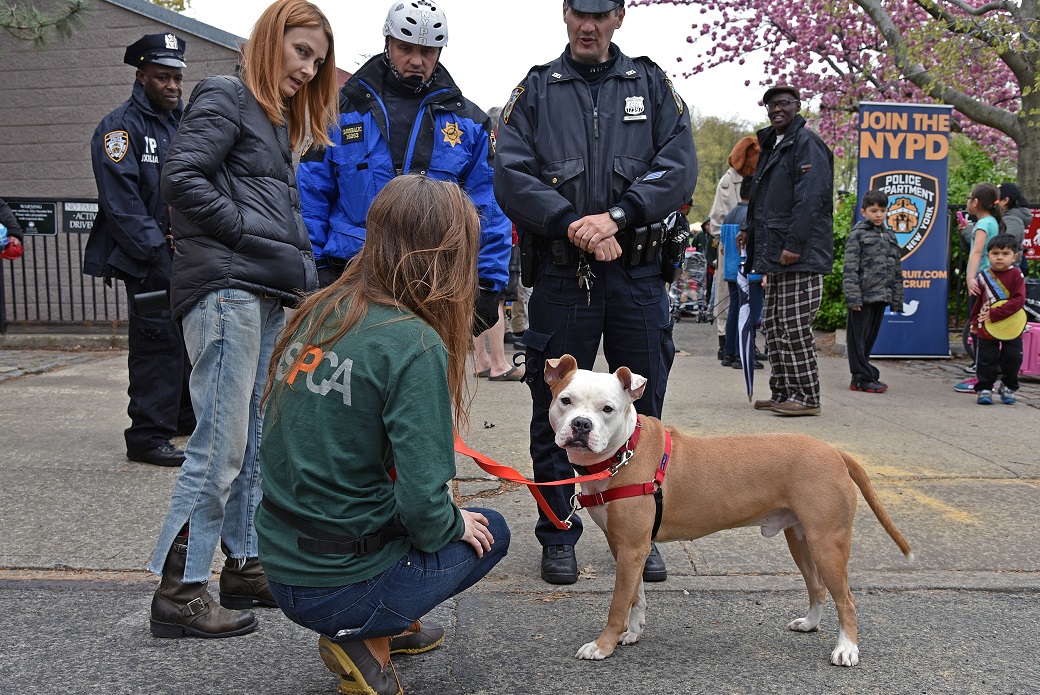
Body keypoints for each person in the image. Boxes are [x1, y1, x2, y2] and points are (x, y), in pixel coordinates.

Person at [256, 175, 510, 695]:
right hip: (335, 585)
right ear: (447, 258)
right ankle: (364, 632)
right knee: (493, 530)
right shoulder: (412, 343)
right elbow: (424, 506)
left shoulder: (320, 309)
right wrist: (452, 523)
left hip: (279, 563)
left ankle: (390, 622)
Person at [147, 0, 338, 639]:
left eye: (317, 59)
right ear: (269, 39)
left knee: (254, 441)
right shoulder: (227, 95)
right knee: (219, 446)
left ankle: (245, 563)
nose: (309, 69)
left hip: (257, 293)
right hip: (226, 290)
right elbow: (180, 179)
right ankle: (181, 589)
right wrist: (249, 235)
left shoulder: (273, 119)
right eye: (301, 51)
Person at [494, 0, 697, 586]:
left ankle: (641, 532)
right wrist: (571, 222)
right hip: (563, 274)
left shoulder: (652, 86)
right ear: (564, 14)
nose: (589, 24)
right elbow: (511, 171)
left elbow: (678, 164)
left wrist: (616, 216)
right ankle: (560, 532)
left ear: (619, 16)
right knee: (554, 407)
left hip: (635, 273)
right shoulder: (534, 92)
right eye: (579, 13)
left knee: (645, 410)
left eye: (601, 13)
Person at [298, 0, 510, 337]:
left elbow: (491, 205)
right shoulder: (341, 111)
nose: (416, 60)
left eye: (427, 51)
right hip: (349, 277)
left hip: (434, 282)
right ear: (387, 44)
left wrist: (488, 282)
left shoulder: (469, 123)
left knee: (421, 385)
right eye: (405, 48)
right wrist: (314, 266)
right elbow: (310, 193)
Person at [83, 33, 195, 467]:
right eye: (163, 77)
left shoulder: (184, 124)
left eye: (177, 78)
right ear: (141, 76)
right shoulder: (119, 129)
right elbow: (121, 205)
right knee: (157, 345)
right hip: (148, 258)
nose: (172, 86)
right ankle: (147, 436)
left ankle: (180, 418)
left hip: (187, 253)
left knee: (188, 342)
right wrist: (158, 255)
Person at [737, 84, 834, 417]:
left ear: (797, 106)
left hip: (800, 256)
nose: (776, 109)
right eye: (771, 105)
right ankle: (783, 392)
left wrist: (794, 243)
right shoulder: (773, 145)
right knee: (776, 326)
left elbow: (811, 199)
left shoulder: (808, 144)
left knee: (794, 326)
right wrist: (749, 233)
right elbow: (762, 201)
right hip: (777, 254)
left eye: (783, 104)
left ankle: (807, 396)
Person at [472, 106, 522, 381]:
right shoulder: (496, 158)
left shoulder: (474, 154)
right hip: (500, 237)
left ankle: (482, 361)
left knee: (475, 297)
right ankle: (499, 363)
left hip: (472, 236)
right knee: (497, 298)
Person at [842, 189, 904, 393]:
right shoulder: (857, 234)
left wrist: (896, 299)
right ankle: (863, 375)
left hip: (881, 295)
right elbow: (850, 268)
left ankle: (860, 376)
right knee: (857, 338)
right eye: (873, 210)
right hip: (863, 297)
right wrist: (853, 299)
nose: (878, 214)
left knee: (869, 338)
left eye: (883, 210)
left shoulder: (889, 235)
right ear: (863, 211)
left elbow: (895, 269)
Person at [710, 136, 760, 360]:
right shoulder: (728, 181)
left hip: (747, 247)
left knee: (744, 299)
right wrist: (725, 241)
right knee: (729, 297)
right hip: (730, 246)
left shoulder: (754, 178)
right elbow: (717, 219)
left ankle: (741, 345)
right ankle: (726, 342)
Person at [956, 183, 1006, 394]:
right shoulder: (992, 221)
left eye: (969, 198)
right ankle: (985, 376)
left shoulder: (983, 224)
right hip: (991, 282)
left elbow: (977, 252)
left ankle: (981, 379)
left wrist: (969, 277)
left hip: (981, 282)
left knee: (978, 329)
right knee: (984, 329)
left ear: (975, 202)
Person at [969, 234, 1026, 405]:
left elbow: (1018, 300)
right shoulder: (983, 276)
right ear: (988, 256)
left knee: (1013, 357)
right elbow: (978, 302)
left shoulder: (1016, 275)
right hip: (987, 325)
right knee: (986, 357)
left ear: (1015, 257)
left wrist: (995, 313)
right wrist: (974, 322)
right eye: (995, 253)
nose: (1000, 257)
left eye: (1005, 253)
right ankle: (985, 388)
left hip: (1012, 324)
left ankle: (1009, 386)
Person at [719, 177, 764, 369]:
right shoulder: (750, 217)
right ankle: (742, 355)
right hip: (749, 273)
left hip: (731, 271)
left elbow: (722, 242)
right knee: (749, 315)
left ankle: (729, 353)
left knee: (734, 312)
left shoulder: (730, 214)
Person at [997, 182, 1032, 276]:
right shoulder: (1006, 218)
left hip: (1005, 274)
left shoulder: (1012, 221)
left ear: (1005, 200)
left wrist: (968, 231)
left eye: (995, 200)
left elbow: (1002, 247)